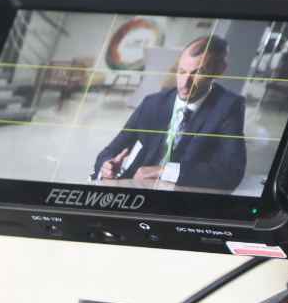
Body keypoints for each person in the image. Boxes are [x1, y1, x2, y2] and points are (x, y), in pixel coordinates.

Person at [91, 35, 247, 190]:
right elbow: (111, 150)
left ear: (219, 70)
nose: (185, 83)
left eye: (198, 73)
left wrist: (166, 171)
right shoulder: (153, 102)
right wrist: (106, 167)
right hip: (137, 186)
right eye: (181, 71)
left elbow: (233, 171)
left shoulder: (229, 105)